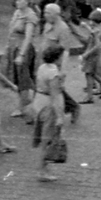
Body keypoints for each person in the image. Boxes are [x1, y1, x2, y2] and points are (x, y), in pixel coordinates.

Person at [31, 44, 69, 182]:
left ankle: (43, 168)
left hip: (39, 101)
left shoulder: (42, 67)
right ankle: (42, 170)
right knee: (48, 139)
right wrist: (59, 116)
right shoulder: (53, 72)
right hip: (48, 105)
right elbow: (54, 95)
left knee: (44, 137)